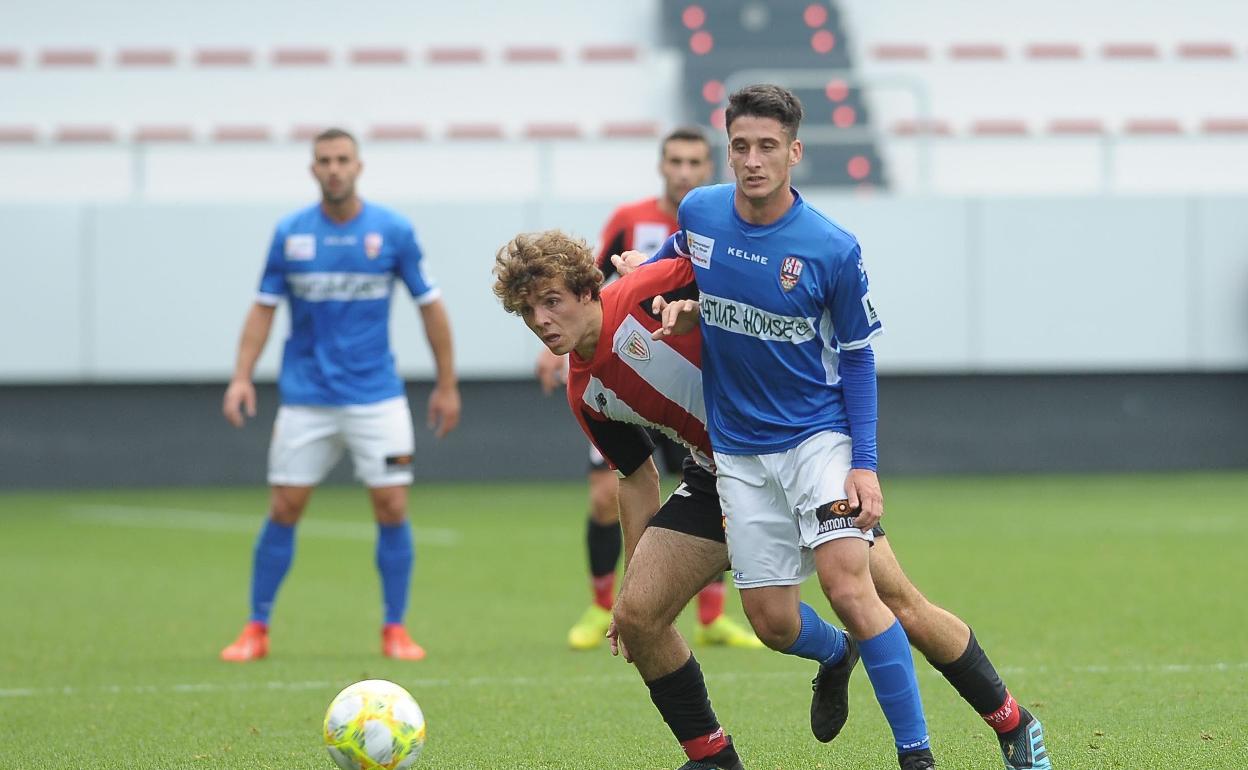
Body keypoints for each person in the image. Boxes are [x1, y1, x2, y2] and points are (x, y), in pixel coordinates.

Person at [641, 84, 1054, 769]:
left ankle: (930, 752)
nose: (751, 160)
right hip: (739, 456)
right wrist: (656, 291)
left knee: (858, 589)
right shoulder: (702, 211)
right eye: (739, 145)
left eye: (767, 147)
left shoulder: (830, 248)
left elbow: (859, 357)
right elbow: (674, 264)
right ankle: (844, 658)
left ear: (794, 152)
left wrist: (864, 462)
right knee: (775, 622)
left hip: (817, 444)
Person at [218, 127, 461, 663]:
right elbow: (262, 308)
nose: (333, 168)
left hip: (377, 396)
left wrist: (446, 384)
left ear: (358, 166)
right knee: (285, 506)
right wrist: (241, 376)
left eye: (342, 159)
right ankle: (256, 628)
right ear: (313, 169)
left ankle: (395, 628)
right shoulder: (290, 234)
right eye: (324, 160)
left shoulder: (392, 231)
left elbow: (430, 307)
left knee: (392, 505)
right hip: (307, 399)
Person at [537, 127, 760, 652]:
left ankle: (712, 616)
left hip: (683, 380)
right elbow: (579, 289)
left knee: (708, 487)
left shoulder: (715, 226)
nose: (683, 171)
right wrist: (555, 347)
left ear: (708, 169)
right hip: (615, 380)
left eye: (693, 162)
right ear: (661, 166)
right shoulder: (629, 221)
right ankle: (602, 606)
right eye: (675, 161)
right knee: (604, 495)